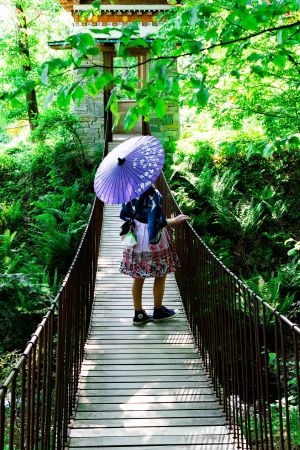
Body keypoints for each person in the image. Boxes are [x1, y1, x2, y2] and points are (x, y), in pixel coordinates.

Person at [119, 185, 189, 325]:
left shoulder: (127, 190)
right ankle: (158, 311)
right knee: (160, 274)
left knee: (138, 277)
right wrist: (174, 221)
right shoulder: (152, 193)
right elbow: (156, 222)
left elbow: (124, 213)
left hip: (136, 233)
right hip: (151, 238)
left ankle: (138, 314)